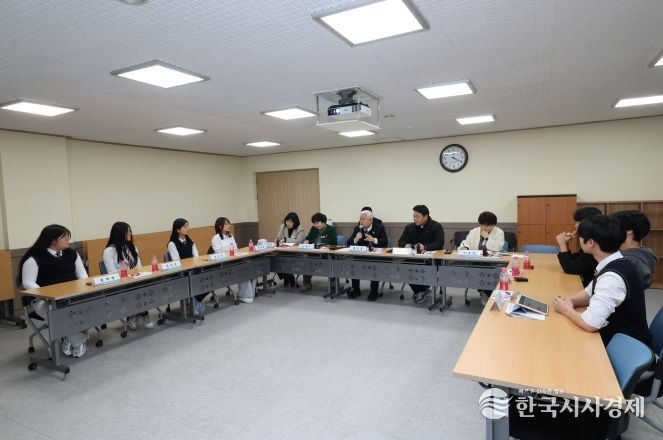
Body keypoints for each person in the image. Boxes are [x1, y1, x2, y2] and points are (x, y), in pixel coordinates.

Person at [552, 215, 652, 347]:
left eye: (581, 236)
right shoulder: (615, 261)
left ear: (590, 243)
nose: (579, 239)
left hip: (625, 346)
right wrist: (570, 300)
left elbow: (590, 323)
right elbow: (589, 293)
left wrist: (567, 310)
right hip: (616, 335)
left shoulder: (612, 277)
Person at [18, 225, 89, 358]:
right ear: (53, 240)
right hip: (44, 301)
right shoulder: (34, 258)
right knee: (57, 315)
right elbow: (28, 283)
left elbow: (83, 276)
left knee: (92, 305)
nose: (68, 239)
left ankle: (68, 337)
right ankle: (78, 340)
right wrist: (48, 296)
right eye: (64, 237)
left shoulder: (72, 254)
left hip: (71, 296)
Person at [103, 221, 153, 330]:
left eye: (130, 231)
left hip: (136, 281)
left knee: (146, 285)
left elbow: (139, 267)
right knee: (137, 288)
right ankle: (138, 314)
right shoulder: (109, 251)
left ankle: (138, 314)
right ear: (120, 234)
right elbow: (112, 274)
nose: (130, 234)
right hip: (121, 284)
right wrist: (129, 276)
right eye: (128, 232)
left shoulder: (133, 247)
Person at [397, 205, 444, 303]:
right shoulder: (410, 227)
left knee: (423, 268)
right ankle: (420, 290)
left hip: (431, 259)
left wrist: (425, 247)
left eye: (417, 216)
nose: (415, 219)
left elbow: (439, 243)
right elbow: (400, 241)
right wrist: (405, 245)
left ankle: (422, 290)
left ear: (425, 217)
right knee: (403, 267)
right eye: (414, 216)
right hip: (413, 258)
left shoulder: (436, 226)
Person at [459, 211, 505, 305]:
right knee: (477, 266)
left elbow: (498, 247)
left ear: (494, 225)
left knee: (484, 267)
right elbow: (466, 242)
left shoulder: (499, 232)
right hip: (476, 261)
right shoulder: (475, 231)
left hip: (492, 263)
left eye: (487, 225)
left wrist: (487, 237)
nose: (484, 228)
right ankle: (484, 292)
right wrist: (465, 247)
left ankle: (486, 292)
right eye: (482, 225)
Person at [211, 217, 257, 303]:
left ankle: (251, 293)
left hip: (234, 259)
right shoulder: (216, 238)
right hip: (224, 263)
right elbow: (218, 252)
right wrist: (230, 252)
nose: (229, 225)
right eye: (226, 224)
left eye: (229, 223)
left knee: (251, 266)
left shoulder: (231, 236)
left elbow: (236, 248)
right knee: (243, 269)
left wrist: (232, 252)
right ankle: (245, 295)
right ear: (220, 226)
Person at [346, 210, 388, 301]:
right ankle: (356, 289)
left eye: (363, 219)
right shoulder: (357, 228)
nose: (361, 221)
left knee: (374, 265)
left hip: (375, 256)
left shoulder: (379, 228)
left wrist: (374, 240)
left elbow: (385, 242)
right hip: (360, 255)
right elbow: (348, 242)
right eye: (360, 219)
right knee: (354, 264)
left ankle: (374, 291)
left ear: (370, 220)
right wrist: (355, 239)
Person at [555, 207, 602, 287]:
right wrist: (566, 244)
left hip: (587, 286)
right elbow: (574, 260)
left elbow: (570, 269)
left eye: (578, 223)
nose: (575, 225)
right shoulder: (591, 241)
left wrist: (562, 244)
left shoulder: (595, 246)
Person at [167, 218, 204, 316]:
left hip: (193, 269)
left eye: (187, 226)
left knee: (206, 277)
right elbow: (177, 261)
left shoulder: (191, 241)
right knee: (198, 279)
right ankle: (194, 302)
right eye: (185, 227)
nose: (188, 228)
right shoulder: (172, 244)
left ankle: (196, 300)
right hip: (182, 272)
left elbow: (196, 257)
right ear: (178, 230)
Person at [613, 210, 658, 290]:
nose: (611, 230)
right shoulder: (643, 252)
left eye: (615, 226)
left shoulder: (631, 260)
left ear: (629, 231)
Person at [299, 212, 337, 292]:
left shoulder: (331, 229)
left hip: (327, 254)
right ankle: (307, 283)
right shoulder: (313, 229)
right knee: (306, 261)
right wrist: (307, 241)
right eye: (314, 223)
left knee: (332, 262)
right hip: (314, 252)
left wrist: (319, 241)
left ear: (323, 222)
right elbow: (309, 238)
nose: (316, 225)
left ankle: (333, 285)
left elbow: (333, 241)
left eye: (318, 222)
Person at [275, 212, 306, 287]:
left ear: (295, 222)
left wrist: (286, 239)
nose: (288, 223)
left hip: (295, 253)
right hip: (283, 252)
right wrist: (277, 240)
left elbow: (298, 241)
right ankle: (288, 277)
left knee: (286, 261)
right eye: (287, 221)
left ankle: (288, 277)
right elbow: (278, 238)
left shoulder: (300, 229)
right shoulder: (282, 227)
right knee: (275, 260)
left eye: (291, 222)